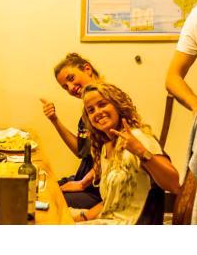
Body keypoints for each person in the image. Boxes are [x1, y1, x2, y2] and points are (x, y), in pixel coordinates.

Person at [74, 83, 180, 224]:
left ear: (117, 105)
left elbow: (173, 184)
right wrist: (79, 219)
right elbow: (111, 204)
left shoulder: (138, 137)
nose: (97, 112)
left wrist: (141, 152)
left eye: (102, 104)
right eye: (91, 110)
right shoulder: (106, 148)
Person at [40, 52, 101, 209]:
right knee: (41, 188)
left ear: (87, 69)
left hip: (97, 189)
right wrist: (54, 120)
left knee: (48, 202)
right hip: (84, 179)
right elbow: (81, 151)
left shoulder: (106, 104)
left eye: (71, 78)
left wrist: (82, 184)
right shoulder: (87, 109)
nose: (71, 88)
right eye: (65, 87)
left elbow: (112, 156)